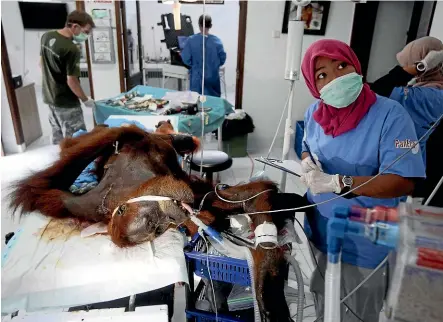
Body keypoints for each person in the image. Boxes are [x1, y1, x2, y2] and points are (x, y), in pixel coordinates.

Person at [299, 39, 426, 321]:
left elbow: (403, 181)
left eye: (341, 65)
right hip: (322, 227)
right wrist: (306, 159)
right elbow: (308, 143)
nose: (336, 78)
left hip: (368, 234)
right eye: (322, 75)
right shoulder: (314, 113)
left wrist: (340, 183)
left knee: (358, 308)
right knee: (324, 300)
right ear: (313, 84)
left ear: (355, 65)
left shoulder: (391, 115)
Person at [370, 37, 443, 206]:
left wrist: (419, 67)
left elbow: (376, 91)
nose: (406, 68)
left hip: (409, 168)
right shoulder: (432, 90)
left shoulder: (426, 97)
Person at [40, 10, 96, 145]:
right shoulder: (71, 49)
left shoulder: (47, 36)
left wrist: (52, 80)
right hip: (67, 103)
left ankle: (60, 162)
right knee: (77, 143)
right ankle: (75, 166)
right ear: (75, 26)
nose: (86, 36)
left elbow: (41, 63)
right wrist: (85, 99)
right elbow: (72, 80)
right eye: (86, 32)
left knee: (59, 138)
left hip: (50, 97)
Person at [181, 14, 226, 97]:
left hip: (197, 79)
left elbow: (186, 59)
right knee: (213, 103)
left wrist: (195, 66)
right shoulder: (217, 41)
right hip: (213, 78)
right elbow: (222, 59)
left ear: (199, 25)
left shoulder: (191, 40)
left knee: (198, 102)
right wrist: (212, 66)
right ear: (211, 26)